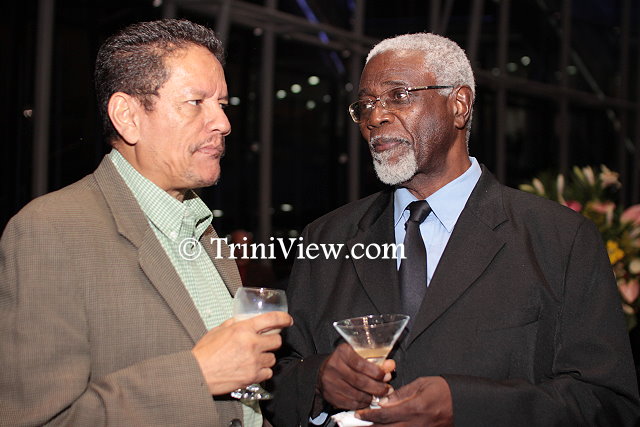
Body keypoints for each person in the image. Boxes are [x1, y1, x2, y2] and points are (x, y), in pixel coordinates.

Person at [265, 33, 640, 426]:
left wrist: (465, 407)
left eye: (398, 96)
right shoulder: (327, 238)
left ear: (459, 105)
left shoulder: (560, 239)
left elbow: (607, 402)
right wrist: (318, 381)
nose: (375, 118)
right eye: (366, 104)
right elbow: (275, 379)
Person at [0, 19, 291, 427]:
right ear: (127, 116)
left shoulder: (201, 228)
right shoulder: (50, 231)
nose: (223, 123)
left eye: (222, 104)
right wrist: (197, 375)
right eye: (196, 102)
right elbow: (38, 419)